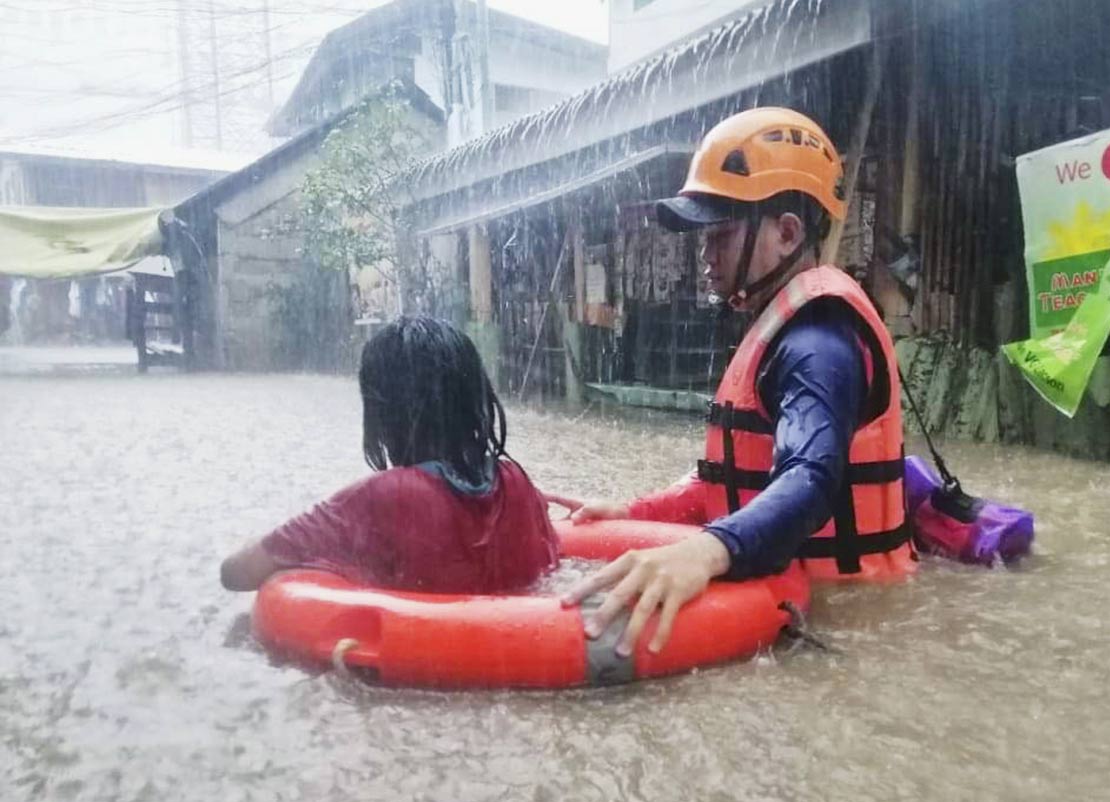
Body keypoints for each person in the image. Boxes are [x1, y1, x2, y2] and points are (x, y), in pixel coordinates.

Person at [553, 108, 916, 658]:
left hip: (847, 620)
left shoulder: (817, 344)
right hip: (806, 597)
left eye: (719, 237)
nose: (705, 257)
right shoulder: (783, 327)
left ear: (787, 233)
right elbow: (732, 482)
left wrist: (705, 552)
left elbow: (811, 478)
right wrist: (634, 511)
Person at [221, 316, 559, 593]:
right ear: (477, 398)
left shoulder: (385, 496)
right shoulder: (516, 483)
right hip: (517, 651)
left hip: (420, 667)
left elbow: (236, 574)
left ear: (381, 413)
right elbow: (551, 562)